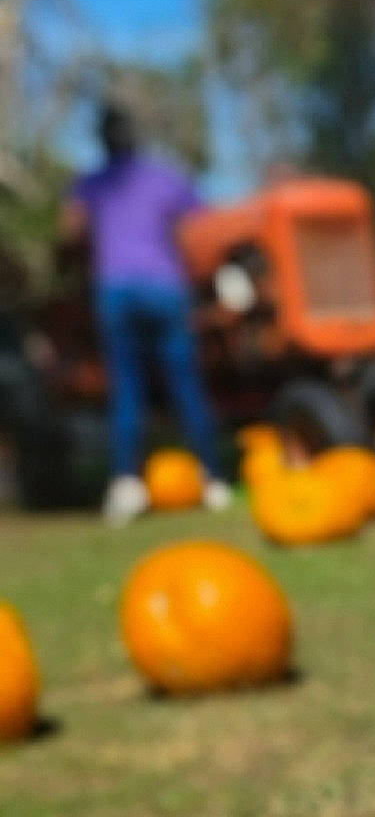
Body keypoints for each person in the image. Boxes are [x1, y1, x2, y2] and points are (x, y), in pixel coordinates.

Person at [64, 102, 230, 524]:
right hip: (165, 288)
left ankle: (125, 484)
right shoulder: (164, 176)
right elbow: (202, 226)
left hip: (117, 290)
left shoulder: (91, 183)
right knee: (186, 384)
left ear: (101, 140)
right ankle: (213, 479)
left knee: (127, 389)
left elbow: (70, 232)